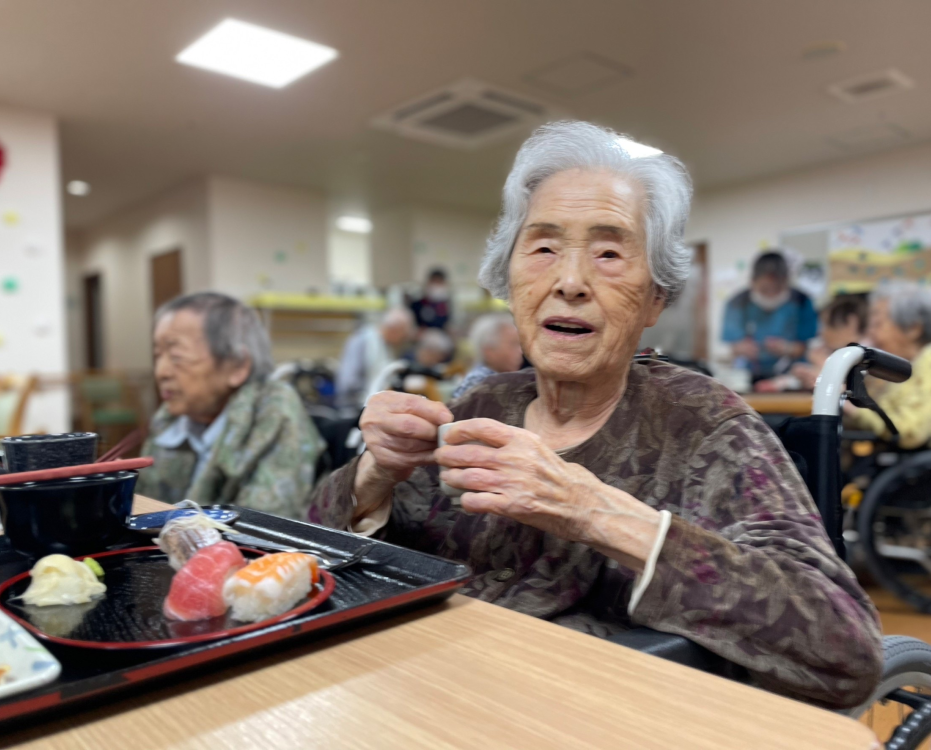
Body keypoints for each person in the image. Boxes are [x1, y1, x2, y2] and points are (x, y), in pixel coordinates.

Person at [310, 121, 881, 708]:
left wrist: (591, 511)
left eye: (609, 252)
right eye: (544, 248)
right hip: (425, 695)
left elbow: (844, 649)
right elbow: (304, 559)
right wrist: (373, 475)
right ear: (508, 279)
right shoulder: (479, 406)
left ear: (656, 296)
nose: (570, 281)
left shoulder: (705, 425)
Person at [137, 292, 322, 518]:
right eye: (157, 356)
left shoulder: (275, 411)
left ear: (237, 366)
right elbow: (142, 509)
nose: (161, 372)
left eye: (176, 357)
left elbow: (261, 529)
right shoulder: (170, 416)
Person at [846, 282, 931, 449]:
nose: (870, 334)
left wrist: (853, 410)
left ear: (913, 329)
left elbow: (910, 431)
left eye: (878, 324)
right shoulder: (909, 367)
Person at [722, 251, 818, 382]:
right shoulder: (737, 304)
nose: (771, 295)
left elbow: (804, 345)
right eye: (764, 289)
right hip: (749, 375)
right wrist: (743, 348)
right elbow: (734, 346)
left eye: (777, 289)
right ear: (753, 281)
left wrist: (787, 348)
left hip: (792, 377)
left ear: (786, 282)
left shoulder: (801, 302)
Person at [756, 294, 868, 392]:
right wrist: (778, 383)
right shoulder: (830, 351)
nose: (821, 332)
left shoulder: (867, 354)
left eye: (827, 325)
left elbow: (851, 388)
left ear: (851, 323)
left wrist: (822, 363)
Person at [335, 307, 415, 408]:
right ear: (395, 330)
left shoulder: (386, 346)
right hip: (353, 408)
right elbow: (347, 382)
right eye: (402, 335)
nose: (402, 340)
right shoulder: (362, 341)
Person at [453, 313, 524, 399]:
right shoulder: (480, 384)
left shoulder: (503, 381)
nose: (521, 351)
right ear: (489, 351)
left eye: (520, 345)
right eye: (513, 344)